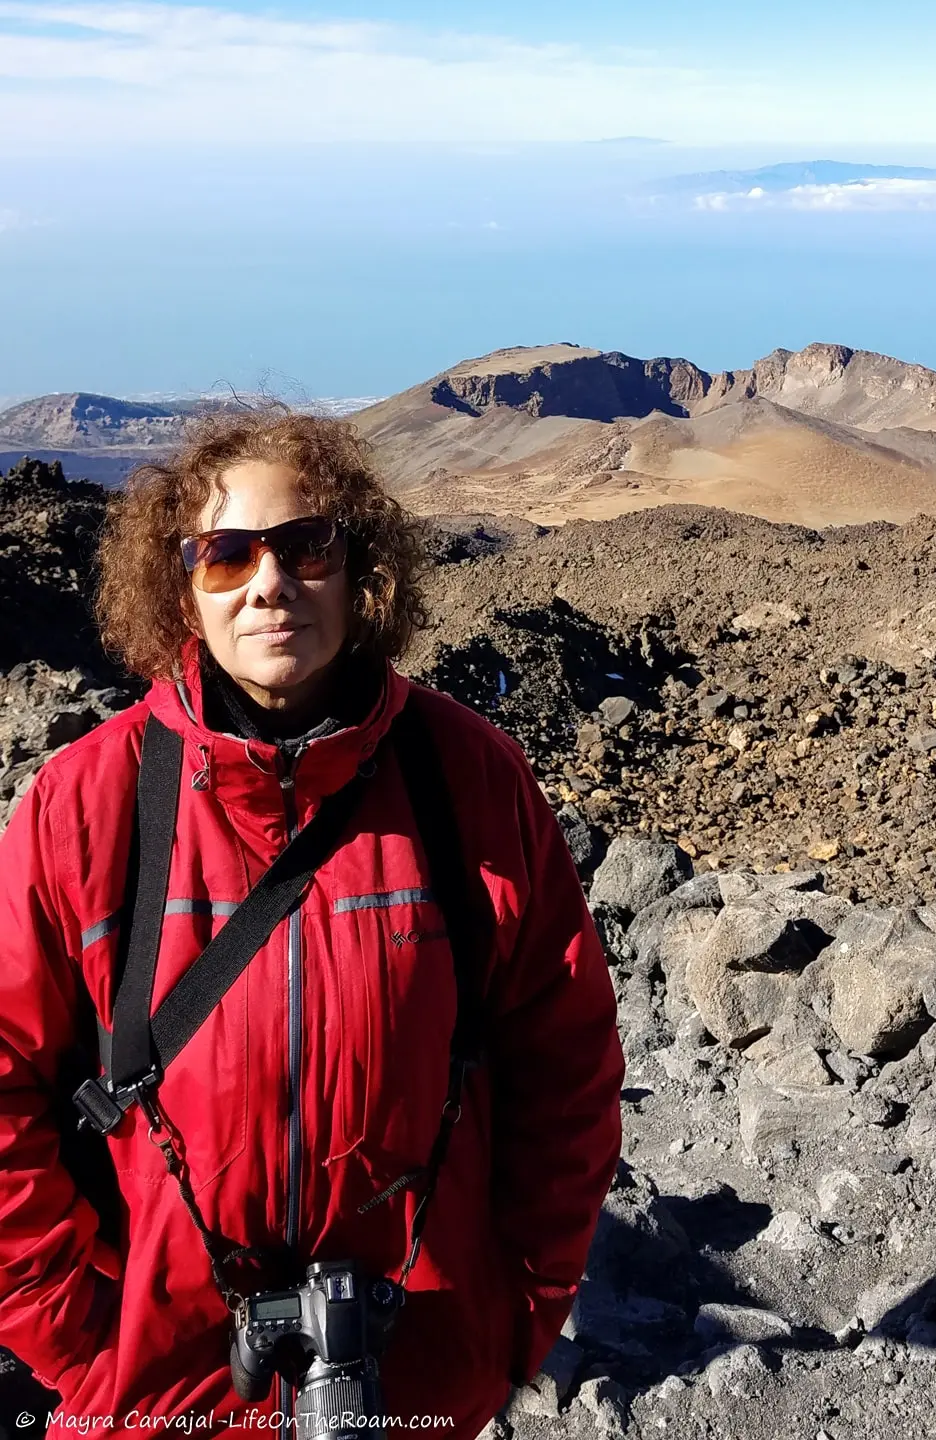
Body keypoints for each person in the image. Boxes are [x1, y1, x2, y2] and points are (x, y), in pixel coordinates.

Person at [0, 411, 624, 1440]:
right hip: (159, 1394)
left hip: (409, 1382)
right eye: (225, 554)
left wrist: (508, 1321)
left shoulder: (467, 781)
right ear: (180, 585)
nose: (269, 582)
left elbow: (566, 1074)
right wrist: (86, 1342)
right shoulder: (88, 805)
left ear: (359, 570)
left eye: (306, 545)